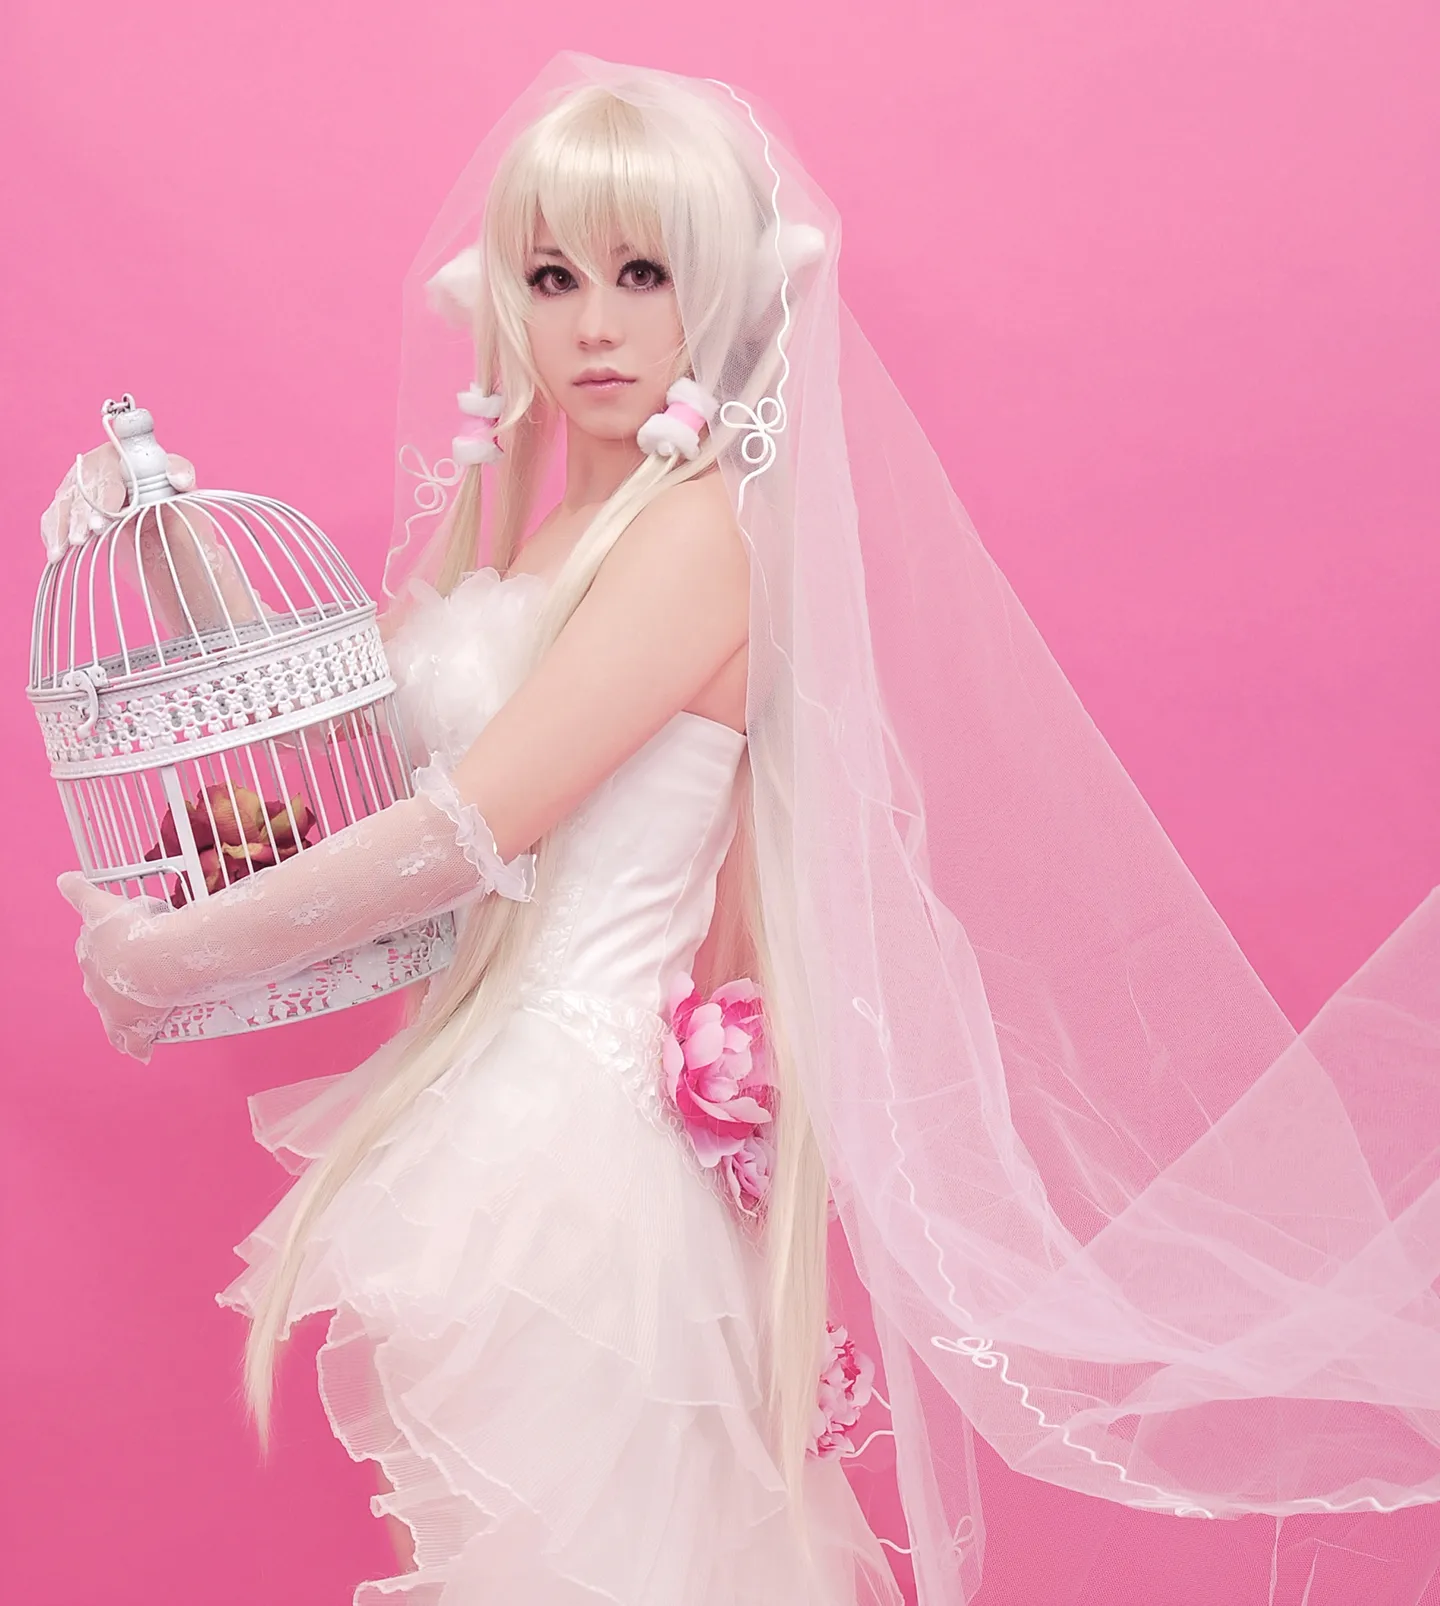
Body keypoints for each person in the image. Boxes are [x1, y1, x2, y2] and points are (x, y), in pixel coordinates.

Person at [56, 52, 1440, 1606]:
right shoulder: (530, 529)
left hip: (573, 1155)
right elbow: (351, 752)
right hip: (496, 1125)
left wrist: (170, 955)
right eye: (553, 276)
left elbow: (463, 832)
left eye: (643, 273)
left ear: (713, 288)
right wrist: (162, 537)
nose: (595, 324)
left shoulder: (695, 537)